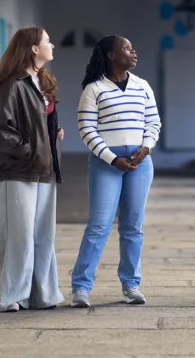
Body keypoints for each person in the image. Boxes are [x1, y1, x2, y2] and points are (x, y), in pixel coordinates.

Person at [69, 35, 161, 308]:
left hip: (140, 162)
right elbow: (86, 130)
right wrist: (111, 158)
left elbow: (153, 122)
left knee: (133, 226)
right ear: (111, 55)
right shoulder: (94, 89)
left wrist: (146, 148)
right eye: (127, 49)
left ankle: (131, 284)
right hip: (106, 164)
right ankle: (81, 288)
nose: (133, 52)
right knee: (99, 226)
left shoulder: (142, 86)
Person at [0, 26, 65, 312]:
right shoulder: (12, 84)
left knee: (43, 236)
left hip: (45, 169)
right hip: (21, 170)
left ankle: (42, 295)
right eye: (47, 41)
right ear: (33, 48)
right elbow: (1, 131)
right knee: (19, 236)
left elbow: (38, 122)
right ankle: (11, 297)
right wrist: (29, 151)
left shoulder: (41, 81)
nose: (52, 45)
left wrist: (51, 135)